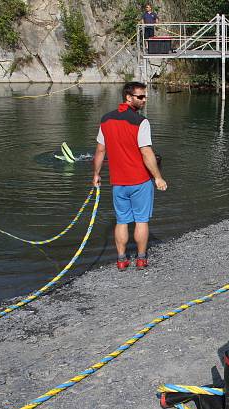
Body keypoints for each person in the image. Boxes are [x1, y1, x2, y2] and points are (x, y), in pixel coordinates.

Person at [93, 82, 167, 271]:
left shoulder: (106, 120)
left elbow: (100, 151)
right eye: (140, 97)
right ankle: (141, 259)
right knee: (141, 221)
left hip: (118, 182)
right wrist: (158, 177)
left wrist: (96, 175)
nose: (144, 100)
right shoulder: (141, 122)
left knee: (122, 221)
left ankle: (121, 259)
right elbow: (146, 152)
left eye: (145, 96)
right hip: (140, 180)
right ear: (128, 98)